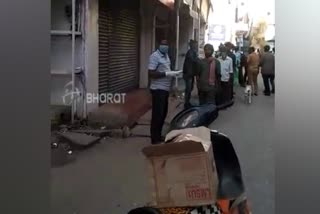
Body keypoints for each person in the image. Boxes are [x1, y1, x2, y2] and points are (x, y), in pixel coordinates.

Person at [148, 39, 181, 144]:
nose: (165, 46)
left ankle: (158, 135)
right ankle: (154, 138)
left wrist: (174, 72)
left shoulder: (166, 56)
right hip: (158, 90)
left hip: (165, 90)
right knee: (157, 114)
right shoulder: (154, 56)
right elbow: (151, 73)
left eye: (166, 44)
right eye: (163, 44)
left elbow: (167, 69)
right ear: (159, 45)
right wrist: (167, 74)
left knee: (163, 114)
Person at [182, 40, 199, 109]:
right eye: (195, 44)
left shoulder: (193, 52)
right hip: (188, 74)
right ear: (192, 45)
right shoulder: (191, 52)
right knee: (188, 89)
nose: (196, 45)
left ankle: (187, 102)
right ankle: (186, 103)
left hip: (190, 74)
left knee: (190, 88)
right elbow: (194, 61)